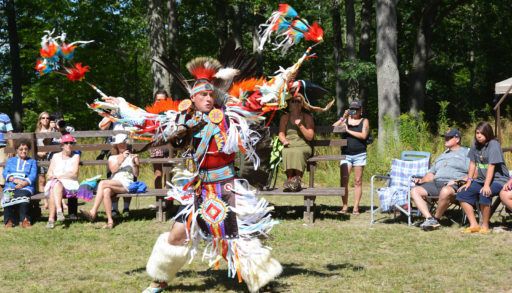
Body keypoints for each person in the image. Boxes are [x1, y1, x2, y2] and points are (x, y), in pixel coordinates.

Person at [142, 56, 283, 293]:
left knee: (230, 239)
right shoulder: (183, 119)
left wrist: (280, 83)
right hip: (197, 188)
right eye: (203, 96)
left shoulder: (227, 116)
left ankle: (261, 281)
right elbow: (151, 124)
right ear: (192, 99)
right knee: (177, 234)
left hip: (223, 187)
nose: (208, 99)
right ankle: (159, 279)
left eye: (210, 95)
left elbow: (255, 103)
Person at [410, 128, 470, 231]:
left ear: (457, 139)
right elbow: (431, 174)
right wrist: (422, 180)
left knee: (446, 191)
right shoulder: (442, 155)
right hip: (436, 183)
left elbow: (473, 173)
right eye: (445, 137)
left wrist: (457, 181)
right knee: (414, 191)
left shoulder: (466, 153)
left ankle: (435, 219)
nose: (445, 139)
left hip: (454, 184)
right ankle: (429, 218)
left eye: (449, 137)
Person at [456, 122, 509, 234]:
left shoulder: (493, 144)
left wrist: (486, 186)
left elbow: (491, 166)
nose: (479, 135)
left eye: (482, 133)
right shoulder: (475, 144)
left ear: (488, 133)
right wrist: (469, 182)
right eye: (477, 133)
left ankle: (485, 225)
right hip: (481, 179)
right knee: (462, 193)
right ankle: (474, 225)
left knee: (484, 193)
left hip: (499, 180)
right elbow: (472, 164)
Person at [80, 135, 139, 228]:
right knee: (106, 190)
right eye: (120, 144)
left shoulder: (133, 156)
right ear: (116, 145)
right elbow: (113, 170)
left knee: (103, 183)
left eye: (124, 143)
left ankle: (93, 212)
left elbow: (136, 175)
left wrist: (135, 164)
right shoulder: (112, 157)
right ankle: (110, 221)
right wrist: (122, 158)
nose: (122, 145)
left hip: (126, 183)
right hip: (115, 182)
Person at [332, 100, 369, 215]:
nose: (354, 111)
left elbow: (363, 136)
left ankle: (356, 207)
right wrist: (343, 118)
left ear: (361, 110)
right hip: (346, 154)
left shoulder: (364, 121)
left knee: (358, 181)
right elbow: (333, 128)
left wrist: (347, 130)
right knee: (344, 180)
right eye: (352, 109)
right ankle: (344, 206)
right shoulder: (345, 121)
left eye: (356, 109)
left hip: (359, 154)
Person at [278, 93, 314, 192]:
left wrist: (301, 126)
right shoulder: (285, 118)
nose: (296, 103)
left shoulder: (307, 117)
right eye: (293, 101)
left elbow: (310, 137)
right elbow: (281, 133)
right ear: (289, 104)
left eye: (298, 101)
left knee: (298, 152)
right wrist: (284, 140)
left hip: (303, 145)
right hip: (289, 144)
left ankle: (297, 179)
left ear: (302, 104)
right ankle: (290, 180)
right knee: (286, 152)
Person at [44, 134, 80, 229]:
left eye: (71, 143)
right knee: (55, 185)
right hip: (56, 183)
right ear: (62, 145)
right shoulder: (55, 156)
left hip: (69, 184)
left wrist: (58, 176)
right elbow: (48, 174)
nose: (69, 145)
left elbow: (74, 174)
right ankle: (59, 210)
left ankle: (51, 219)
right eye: (66, 143)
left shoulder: (76, 156)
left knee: (54, 186)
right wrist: (55, 177)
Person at [2, 139, 37, 228]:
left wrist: (23, 183)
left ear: (28, 150)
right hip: (11, 184)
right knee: (7, 196)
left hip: (26, 186)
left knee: (24, 196)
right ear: (17, 150)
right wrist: (14, 180)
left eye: (26, 149)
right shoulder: (11, 160)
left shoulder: (32, 162)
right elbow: (5, 173)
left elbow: (33, 175)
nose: (23, 151)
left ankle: (24, 220)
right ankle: (8, 220)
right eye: (21, 149)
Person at [35, 111, 54, 210]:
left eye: (47, 118)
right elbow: (34, 147)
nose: (45, 120)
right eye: (43, 118)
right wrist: (39, 153)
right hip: (40, 158)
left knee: (53, 179)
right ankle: (46, 201)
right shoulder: (36, 133)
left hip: (52, 158)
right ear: (40, 120)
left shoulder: (53, 131)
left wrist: (52, 128)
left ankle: (57, 201)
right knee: (42, 180)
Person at [0, 112, 14, 187]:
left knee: (1, 168)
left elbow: (9, 133)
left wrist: (11, 149)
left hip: (2, 147)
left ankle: (2, 191)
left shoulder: (4, 117)